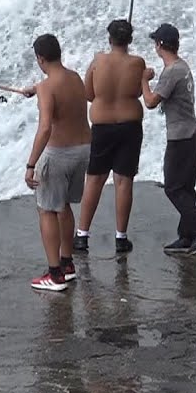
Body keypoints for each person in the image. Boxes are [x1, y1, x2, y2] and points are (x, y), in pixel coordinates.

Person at [142, 23, 196, 256]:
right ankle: (187, 235)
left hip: (181, 137)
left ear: (160, 45)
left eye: (155, 42)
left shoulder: (172, 71)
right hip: (192, 133)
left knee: (173, 188)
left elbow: (150, 102)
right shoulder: (182, 66)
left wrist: (143, 80)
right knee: (185, 188)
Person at [73, 19, 148, 255]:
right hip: (130, 127)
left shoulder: (98, 61)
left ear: (109, 38)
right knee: (123, 181)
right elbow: (138, 91)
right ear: (130, 40)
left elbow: (88, 94)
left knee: (94, 180)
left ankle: (82, 235)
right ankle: (121, 238)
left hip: (102, 127)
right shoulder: (138, 63)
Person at [24, 33, 91, 291]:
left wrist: (31, 165)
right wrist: (36, 89)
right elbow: (56, 90)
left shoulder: (46, 88)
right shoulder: (75, 78)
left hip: (59, 155)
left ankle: (54, 275)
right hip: (83, 151)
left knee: (47, 210)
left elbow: (45, 129)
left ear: (40, 59)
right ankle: (67, 264)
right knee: (63, 206)